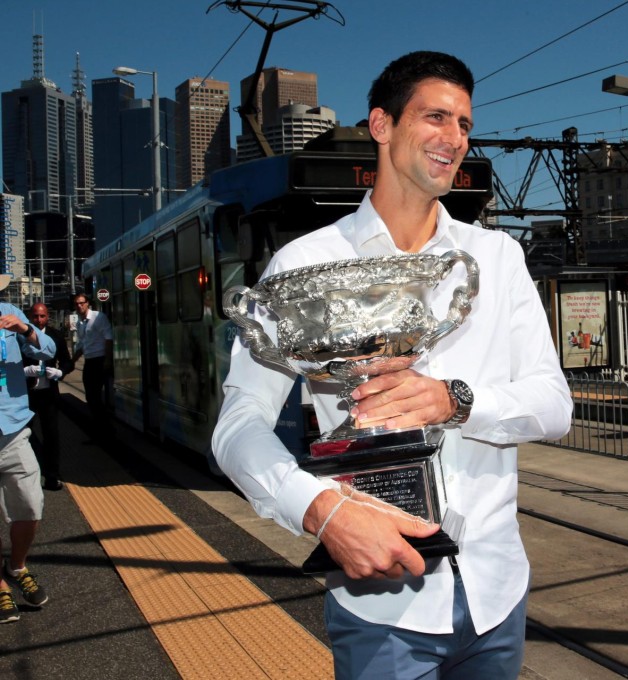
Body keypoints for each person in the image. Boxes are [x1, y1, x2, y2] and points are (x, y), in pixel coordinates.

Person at [212, 51, 572, 678]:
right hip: (381, 603)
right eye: (435, 117)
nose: (454, 138)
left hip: (497, 591)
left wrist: (453, 401)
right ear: (381, 125)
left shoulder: (496, 257)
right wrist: (321, 511)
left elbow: (552, 404)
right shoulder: (304, 265)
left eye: (463, 123)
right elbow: (238, 423)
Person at [0, 276, 57, 623]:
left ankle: (17, 566)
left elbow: (47, 350)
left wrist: (24, 328)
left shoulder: (10, 313)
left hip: (13, 430)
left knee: (32, 507)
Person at [24, 302, 74, 491]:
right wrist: (25, 371)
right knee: (25, 435)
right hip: (26, 393)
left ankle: (52, 476)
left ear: (48, 317)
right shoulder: (22, 335)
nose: (39, 320)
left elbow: (68, 362)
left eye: (42, 316)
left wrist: (60, 372)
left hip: (49, 394)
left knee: (51, 435)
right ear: (30, 317)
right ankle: (29, 472)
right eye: (35, 316)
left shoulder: (56, 336)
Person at [70, 293, 113, 437]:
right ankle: (100, 428)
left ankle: (104, 430)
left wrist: (107, 360)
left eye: (82, 303)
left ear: (87, 303)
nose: (79, 306)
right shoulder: (80, 323)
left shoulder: (98, 317)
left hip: (99, 360)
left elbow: (108, 337)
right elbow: (82, 344)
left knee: (94, 396)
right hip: (89, 361)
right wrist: (73, 361)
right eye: (77, 304)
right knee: (90, 396)